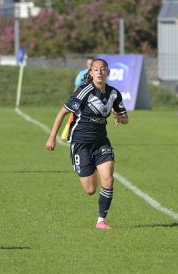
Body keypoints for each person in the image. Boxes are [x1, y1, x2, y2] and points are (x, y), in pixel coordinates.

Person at [45, 59, 129, 230]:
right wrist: (52, 137)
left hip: (101, 142)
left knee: (108, 179)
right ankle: (88, 167)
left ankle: (101, 221)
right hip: (81, 143)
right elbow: (62, 112)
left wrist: (120, 118)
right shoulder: (84, 91)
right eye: (95, 69)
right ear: (90, 73)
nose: (99, 72)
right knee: (90, 190)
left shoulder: (114, 93)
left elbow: (125, 118)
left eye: (102, 69)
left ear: (107, 72)